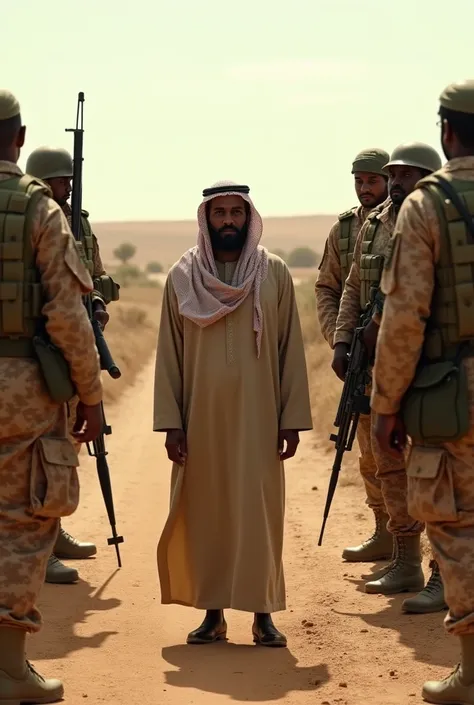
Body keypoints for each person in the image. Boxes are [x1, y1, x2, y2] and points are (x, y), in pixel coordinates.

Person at [153, 180, 312, 647]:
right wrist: (172, 423)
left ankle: (263, 613)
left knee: (259, 512)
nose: (228, 221)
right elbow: (170, 355)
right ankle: (212, 613)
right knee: (206, 511)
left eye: (235, 213)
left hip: (259, 417)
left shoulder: (273, 273)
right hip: (200, 419)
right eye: (219, 213)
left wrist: (290, 418)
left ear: (248, 217)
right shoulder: (182, 277)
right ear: (206, 218)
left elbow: (289, 349)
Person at [372, 79, 474, 704]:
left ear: (446, 130)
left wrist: (386, 405)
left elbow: (404, 317)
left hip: (451, 396)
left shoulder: (426, 205)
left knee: (459, 529)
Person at [0, 90, 103, 703]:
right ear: (18, 137)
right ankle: (10, 671)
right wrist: (89, 394)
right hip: (21, 392)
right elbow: (68, 315)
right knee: (19, 525)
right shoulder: (37, 209)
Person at [332, 143, 446, 608]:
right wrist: (342, 342)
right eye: (393, 175)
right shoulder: (373, 225)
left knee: (436, 467)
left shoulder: (444, 221)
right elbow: (353, 287)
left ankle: (444, 570)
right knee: (389, 461)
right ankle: (406, 560)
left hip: (434, 367)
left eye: (408, 174)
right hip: (380, 366)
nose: (397, 182)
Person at [25, 146, 120, 585]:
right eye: (61, 181)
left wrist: (97, 303)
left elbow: (93, 275)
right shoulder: (31, 218)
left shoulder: (77, 222)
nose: (67, 188)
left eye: (69, 180)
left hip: (72, 344)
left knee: (63, 447)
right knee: (38, 457)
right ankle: (38, 550)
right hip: (37, 352)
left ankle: (55, 533)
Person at [315, 147, 392, 563]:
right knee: (368, 450)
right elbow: (330, 288)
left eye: (373, 181)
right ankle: (383, 530)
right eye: (359, 181)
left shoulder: (405, 222)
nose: (366, 189)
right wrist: (338, 339)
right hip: (362, 358)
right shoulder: (344, 231)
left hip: (398, 350)